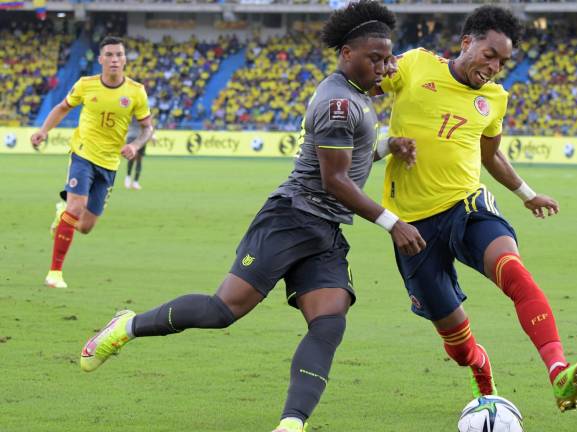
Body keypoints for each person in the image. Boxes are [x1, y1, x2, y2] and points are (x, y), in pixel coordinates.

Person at [77, 3, 424, 432]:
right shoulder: (338, 101)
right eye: (375, 58)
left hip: (324, 229)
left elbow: (347, 163)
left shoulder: (354, 96)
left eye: (388, 58)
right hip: (292, 218)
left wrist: (388, 147)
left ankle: (290, 425)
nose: (384, 67)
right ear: (346, 53)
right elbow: (335, 180)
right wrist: (393, 223)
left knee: (329, 322)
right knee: (222, 311)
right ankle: (127, 326)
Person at [375, 6, 577, 412]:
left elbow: (491, 156)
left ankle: (558, 372)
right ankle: (482, 374)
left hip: (467, 205)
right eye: (489, 55)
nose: (494, 67)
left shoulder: (495, 99)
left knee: (512, 270)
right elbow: (366, 86)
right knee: (458, 345)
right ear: (467, 43)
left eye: (503, 62)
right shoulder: (418, 65)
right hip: (412, 227)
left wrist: (527, 193)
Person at [31, 36, 154, 289]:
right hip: (83, 154)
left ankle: (61, 213)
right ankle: (55, 272)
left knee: (85, 226)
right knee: (76, 207)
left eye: (119, 55)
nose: (114, 60)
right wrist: (44, 131)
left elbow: (147, 128)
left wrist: (134, 145)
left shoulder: (136, 91)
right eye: (109, 55)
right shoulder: (85, 85)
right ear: (100, 59)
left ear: (125, 59)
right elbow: (62, 108)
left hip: (109, 164)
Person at [124, 118, 148, 189]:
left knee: (137, 159)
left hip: (139, 138)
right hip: (134, 137)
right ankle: (130, 178)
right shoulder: (136, 112)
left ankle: (133, 181)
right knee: (134, 158)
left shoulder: (140, 111)